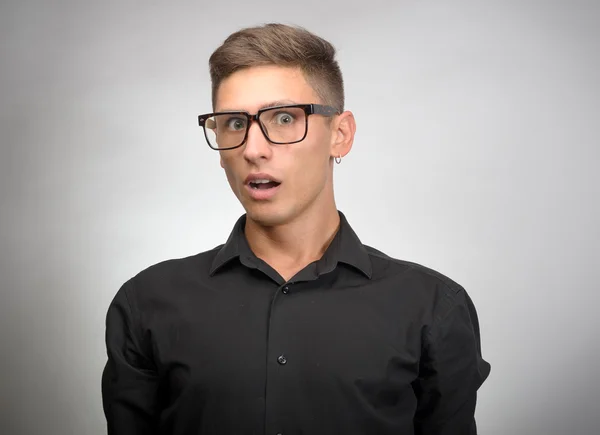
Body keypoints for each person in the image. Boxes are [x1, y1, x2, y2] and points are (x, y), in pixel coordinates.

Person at [101, 23, 491, 435]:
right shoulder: (146, 302)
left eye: (284, 118)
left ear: (340, 134)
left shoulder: (433, 308)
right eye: (234, 124)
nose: (253, 149)